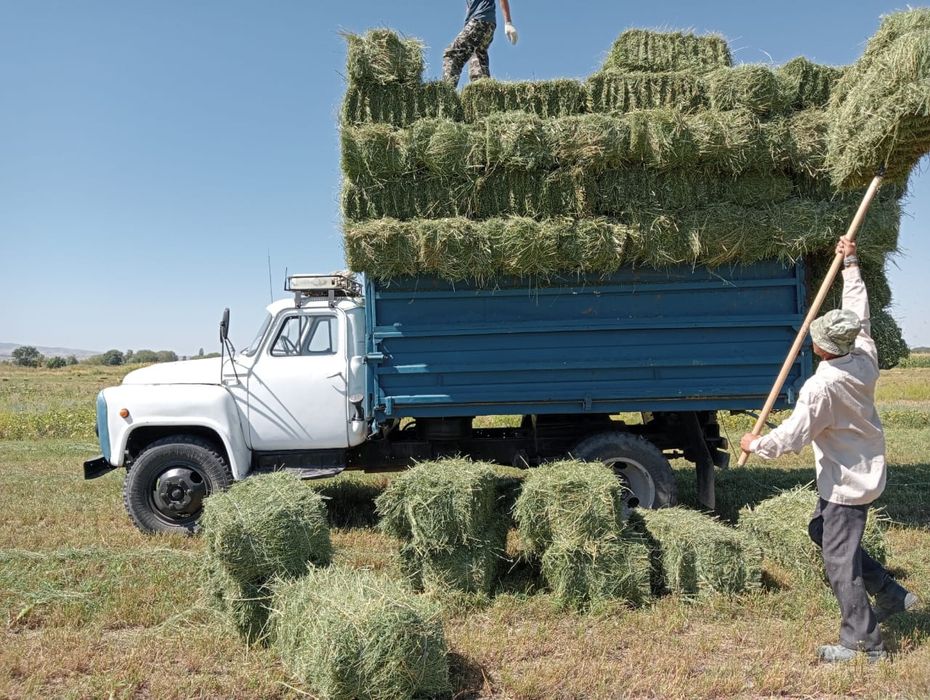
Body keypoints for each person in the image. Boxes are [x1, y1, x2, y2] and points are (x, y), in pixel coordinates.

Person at [740, 235, 918, 664]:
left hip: (846, 482)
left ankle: (864, 645)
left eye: (816, 337)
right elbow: (859, 315)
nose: (811, 340)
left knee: (840, 566)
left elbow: (794, 436)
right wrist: (850, 264)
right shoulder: (863, 354)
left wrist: (755, 444)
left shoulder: (823, 386)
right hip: (859, 466)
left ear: (824, 348)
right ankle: (892, 594)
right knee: (821, 533)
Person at [443, 0, 517, 87]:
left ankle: (446, 95)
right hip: (485, 24)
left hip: (480, 19)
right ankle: (482, 94)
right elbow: (470, 7)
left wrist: (508, 22)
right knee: (477, 63)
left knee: (452, 54)